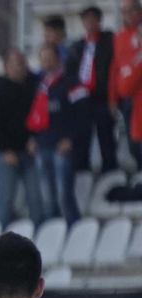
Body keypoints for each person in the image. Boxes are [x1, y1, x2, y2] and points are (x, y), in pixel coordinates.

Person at [0, 50, 48, 228]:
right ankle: (2, 240)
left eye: (23, 62)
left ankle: (39, 238)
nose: (23, 66)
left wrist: (35, 138)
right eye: (17, 63)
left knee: (36, 198)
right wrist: (5, 149)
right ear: (7, 67)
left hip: (30, 152)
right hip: (7, 155)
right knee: (5, 201)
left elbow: (40, 116)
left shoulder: (34, 86)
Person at [32, 43, 85, 225]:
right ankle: (53, 238)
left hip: (62, 146)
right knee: (48, 199)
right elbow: (31, 115)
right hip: (42, 145)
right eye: (43, 59)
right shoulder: (37, 84)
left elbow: (83, 114)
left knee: (64, 196)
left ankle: (74, 231)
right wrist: (32, 139)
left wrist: (70, 138)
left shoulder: (71, 81)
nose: (46, 62)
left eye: (50, 58)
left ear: (58, 58)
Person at [67, 6, 118, 173]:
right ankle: (83, 174)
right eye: (85, 19)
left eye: (92, 19)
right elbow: (71, 73)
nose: (88, 23)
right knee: (82, 140)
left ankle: (110, 172)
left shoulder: (109, 41)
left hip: (102, 98)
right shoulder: (77, 46)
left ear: (99, 21)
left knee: (106, 138)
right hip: (83, 101)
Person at [111, 0, 142, 167]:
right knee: (134, 146)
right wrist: (112, 98)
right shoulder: (120, 36)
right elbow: (116, 68)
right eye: (124, 11)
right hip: (128, 98)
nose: (129, 15)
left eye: (132, 10)